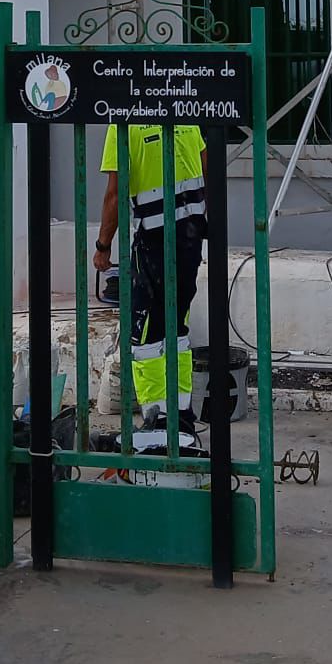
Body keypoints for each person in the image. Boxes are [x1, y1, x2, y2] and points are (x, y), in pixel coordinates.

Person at [92, 122, 208, 451]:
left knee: (145, 336)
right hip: (189, 235)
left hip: (153, 241)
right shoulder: (185, 113)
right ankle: (182, 412)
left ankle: (158, 416)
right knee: (177, 328)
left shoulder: (123, 126)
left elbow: (115, 194)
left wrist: (103, 247)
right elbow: (204, 164)